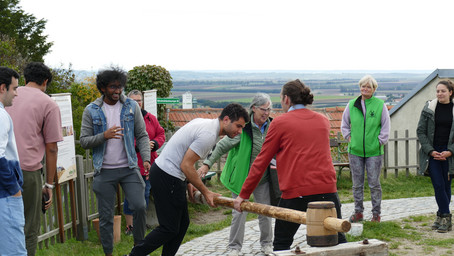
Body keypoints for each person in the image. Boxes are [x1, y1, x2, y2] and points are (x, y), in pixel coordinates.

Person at [233, 79, 347, 252]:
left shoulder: (280, 123)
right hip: (327, 190)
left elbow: (261, 161)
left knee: (281, 244)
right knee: (338, 240)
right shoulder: (323, 120)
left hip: (296, 192)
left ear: (286, 99)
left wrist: (244, 194)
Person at [126, 103, 249, 256]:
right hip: (168, 176)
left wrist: (188, 182)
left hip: (168, 174)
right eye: (238, 126)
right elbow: (186, 165)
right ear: (226, 119)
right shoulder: (209, 135)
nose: (239, 131)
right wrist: (206, 191)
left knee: (182, 224)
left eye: (242, 127)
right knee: (169, 227)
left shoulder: (205, 124)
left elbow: (183, 159)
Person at [80, 68, 151, 256]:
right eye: (113, 87)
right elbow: (84, 141)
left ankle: (138, 249)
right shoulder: (91, 110)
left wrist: (145, 158)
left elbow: (142, 135)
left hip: (129, 168)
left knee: (140, 206)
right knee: (106, 218)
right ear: (103, 88)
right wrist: (104, 136)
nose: (117, 91)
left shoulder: (131, 106)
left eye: (120, 86)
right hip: (104, 170)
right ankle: (109, 253)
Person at [197, 93, 275, 256]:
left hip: (263, 179)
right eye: (263, 109)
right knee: (239, 213)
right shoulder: (243, 128)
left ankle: (267, 244)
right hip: (242, 178)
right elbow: (221, 146)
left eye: (269, 109)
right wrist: (206, 164)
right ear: (254, 108)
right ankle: (234, 248)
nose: (267, 113)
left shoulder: (273, 126)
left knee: (265, 212)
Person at [6, 62, 63, 256]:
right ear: (45, 81)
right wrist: (49, 184)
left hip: (2, 165)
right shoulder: (49, 104)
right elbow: (52, 148)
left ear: (25, 78)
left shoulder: (7, 95)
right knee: (28, 226)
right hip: (27, 171)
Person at [341, 75, 390, 223]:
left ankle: (376, 214)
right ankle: (358, 212)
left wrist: (379, 142)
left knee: (374, 183)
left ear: (374, 89)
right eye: (363, 86)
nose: (365, 89)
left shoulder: (380, 105)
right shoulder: (351, 104)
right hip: (355, 151)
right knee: (357, 184)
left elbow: (386, 127)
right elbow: (344, 124)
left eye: (368, 87)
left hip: (374, 152)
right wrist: (350, 138)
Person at [123, 89, 166, 235]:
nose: (137, 103)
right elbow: (125, 138)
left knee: (145, 194)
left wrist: (154, 143)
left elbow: (161, 133)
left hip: (149, 165)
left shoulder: (150, 118)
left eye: (139, 100)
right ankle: (130, 227)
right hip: (132, 164)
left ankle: (141, 224)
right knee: (130, 196)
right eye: (133, 101)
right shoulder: (124, 118)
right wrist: (140, 145)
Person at [417, 80, 454, 233]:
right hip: (432, 153)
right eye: (437, 91)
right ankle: (446, 215)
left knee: (445, 185)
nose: (439, 94)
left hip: (449, 154)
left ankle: (441, 216)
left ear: (450, 92)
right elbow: (421, 131)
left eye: (443, 91)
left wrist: (450, 151)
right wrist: (431, 151)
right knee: (438, 184)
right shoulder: (429, 108)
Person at [0, 67, 27, 255]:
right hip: (5, 195)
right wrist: (14, 190)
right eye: (14, 88)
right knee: (14, 251)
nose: (16, 94)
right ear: (3, 88)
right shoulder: (1, 116)